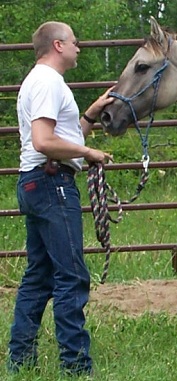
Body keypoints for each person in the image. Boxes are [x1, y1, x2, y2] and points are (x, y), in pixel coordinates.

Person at [7, 21, 114, 376]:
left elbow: (59, 140)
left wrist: (90, 115)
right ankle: (76, 366)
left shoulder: (41, 82)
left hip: (39, 181)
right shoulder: (48, 83)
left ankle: (20, 360)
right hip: (52, 183)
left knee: (39, 277)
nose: (79, 47)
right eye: (74, 41)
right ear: (57, 45)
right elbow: (44, 141)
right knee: (71, 276)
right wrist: (91, 152)